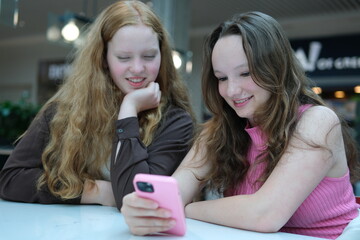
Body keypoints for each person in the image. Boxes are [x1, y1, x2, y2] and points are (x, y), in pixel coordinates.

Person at [121, 11, 360, 239]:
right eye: (222, 78)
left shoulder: (318, 121)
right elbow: (173, 193)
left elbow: (265, 214)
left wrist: (183, 209)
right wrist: (144, 211)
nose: (232, 90)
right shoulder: (218, 132)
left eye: (245, 73)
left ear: (275, 68)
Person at [0, 0, 195, 210]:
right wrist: (96, 191)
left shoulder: (175, 121)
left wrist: (128, 110)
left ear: (162, 56)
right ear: (103, 59)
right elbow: (11, 179)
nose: (138, 68)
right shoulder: (64, 110)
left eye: (149, 56)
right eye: (123, 57)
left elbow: (135, 197)